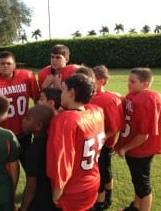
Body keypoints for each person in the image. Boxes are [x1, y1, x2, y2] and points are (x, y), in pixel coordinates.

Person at [46, 73, 106, 211]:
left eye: (64, 90)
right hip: (92, 181)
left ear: (71, 93)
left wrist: (57, 192)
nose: (61, 94)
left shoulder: (66, 120)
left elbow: (63, 161)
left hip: (72, 189)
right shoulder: (96, 111)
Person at [0, 51, 40, 166]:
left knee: (30, 166)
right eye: (2, 63)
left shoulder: (27, 76)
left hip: (23, 131)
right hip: (0, 133)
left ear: (14, 65)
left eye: (9, 63)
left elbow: (37, 100)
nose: (5, 66)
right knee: (3, 168)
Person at [114, 68, 161, 211]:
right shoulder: (132, 95)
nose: (129, 84)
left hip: (142, 149)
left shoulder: (147, 99)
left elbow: (144, 135)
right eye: (128, 80)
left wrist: (125, 147)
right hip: (134, 147)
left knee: (143, 184)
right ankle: (135, 207)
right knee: (137, 181)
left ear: (145, 84)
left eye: (133, 81)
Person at [89, 65, 125, 211]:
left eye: (92, 79)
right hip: (93, 142)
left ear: (101, 81)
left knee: (103, 171)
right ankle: (105, 197)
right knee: (100, 170)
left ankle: (103, 200)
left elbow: (115, 127)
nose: (89, 81)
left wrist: (100, 138)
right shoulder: (90, 96)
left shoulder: (109, 99)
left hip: (102, 143)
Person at [19, 105, 56, 211]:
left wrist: (24, 208)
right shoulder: (52, 142)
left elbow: (31, 186)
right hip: (53, 197)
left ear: (39, 126)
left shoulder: (32, 151)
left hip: (39, 201)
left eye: (27, 119)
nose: (23, 121)